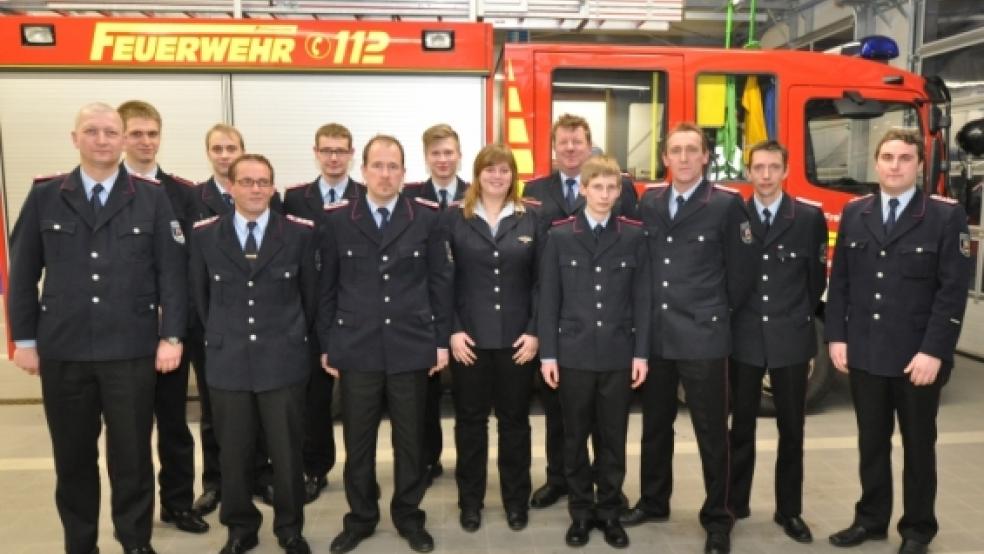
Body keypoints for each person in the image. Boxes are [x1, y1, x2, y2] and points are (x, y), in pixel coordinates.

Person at [8, 101, 187, 554]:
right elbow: (22, 272)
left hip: (129, 351)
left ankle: (134, 542)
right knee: (73, 461)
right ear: (75, 138)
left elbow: (172, 273)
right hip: (63, 352)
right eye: (92, 131)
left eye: (111, 132)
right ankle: (80, 544)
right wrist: (23, 340)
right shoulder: (46, 195)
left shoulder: (150, 197)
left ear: (124, 139)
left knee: (131, 459)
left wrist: (172, 337)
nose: (102, 140)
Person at [825, 128, 972, 554]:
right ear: (875, 163)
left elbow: (951, 292)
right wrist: (837, 335)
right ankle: (871, 520)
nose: (895, 165)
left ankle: (917, 529)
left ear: (920, 165)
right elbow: (843, 283)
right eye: (887, 157)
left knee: (918, 447)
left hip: (916, 357)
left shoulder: (945, 216)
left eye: (905, 158)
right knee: (870, 443)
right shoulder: (856, 213)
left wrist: (935, 351)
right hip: (866, 351)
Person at [318, 135, 453, 554]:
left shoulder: (427, 217)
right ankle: (360, 518)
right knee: (357, 442)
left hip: (411, 345)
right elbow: (327, 287)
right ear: (364, 171)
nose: (385, 174)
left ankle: (409, 516)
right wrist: (328, 344)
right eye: (377, 165)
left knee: (411, 441)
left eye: (393, 166)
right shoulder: (339, 219)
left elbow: (440, 283)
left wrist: (440, 342)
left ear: (404, 172)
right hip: (356, 346)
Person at [631, 122, 755, 554]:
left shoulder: (725, 205)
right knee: (654, 425)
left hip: (703, 334)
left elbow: (740, 276)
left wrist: (713, 316)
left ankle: (719, 516)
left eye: (692, 150)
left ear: (706, 157)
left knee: (710, 431)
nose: (683, 158)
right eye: (675, 150)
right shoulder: (650, 201)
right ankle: (653, 501)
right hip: (658, 335)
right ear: (665, 158)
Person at [189, 153, 318, 554]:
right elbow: (200, 299)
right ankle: (240, 528)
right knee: (234, 454)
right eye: (247, 181)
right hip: (228, 363)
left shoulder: (298, 233)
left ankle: (290, 528)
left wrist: (291, 337)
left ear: (273, 187)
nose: (256, 189)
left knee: (286, 452)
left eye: (263, 182)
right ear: (231, 188)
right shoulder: (206, 235)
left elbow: (309, 298)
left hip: (283, 361)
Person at [522, 114, 637, 509]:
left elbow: (632, 253)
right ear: (554, 148)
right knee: (563, 420)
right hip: (562, 315)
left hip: (607, 328)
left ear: (590, 146)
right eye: (563, 142)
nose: (570, 148)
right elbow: (531, 260)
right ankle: (564, 484)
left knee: (608, 427)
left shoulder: (621, 197)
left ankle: (608, 493)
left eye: (577, 141)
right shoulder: (534, 191)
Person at [538, 155, 650, 549]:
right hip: (573, 355)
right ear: (583, 189)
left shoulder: (634, 235)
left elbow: (642, 298)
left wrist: (641, 354)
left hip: (619, 355)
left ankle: (609, 512)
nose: (604, 195)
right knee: (574, 439)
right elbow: (548, 300)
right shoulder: (560, 235)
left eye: (611, 188)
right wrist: (548, 355)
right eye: (597, 187)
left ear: (620, 193)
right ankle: (581, 513)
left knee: (614, 438)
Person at [117, 99, 210, 534]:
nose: (145, 141)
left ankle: (178, 503)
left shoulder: (182, 193)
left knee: (174, 424)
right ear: (120, 137)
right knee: (129, 431)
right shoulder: (103, 189)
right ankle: (133, 516)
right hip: (123, 334)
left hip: (175, 330)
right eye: (136, 133)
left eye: (152, 133)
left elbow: (192, 261)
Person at [727, 140, 827, 543]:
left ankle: (790, 511)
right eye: (758, 167)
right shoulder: (733, 215)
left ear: (786, 171)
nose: (765, 175)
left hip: (790, 338)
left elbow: (815, 279)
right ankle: (735, 503)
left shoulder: (807, 217)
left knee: (792, 430)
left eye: (773, 167)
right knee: (741, 427)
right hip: (744, 337)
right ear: (748, 172)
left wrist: (795, 319)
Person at [443, 144, 540, 532]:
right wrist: (452, 329)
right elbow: (442, 280)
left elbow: (542, 282)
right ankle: (471, 502)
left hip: (518, 343)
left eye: (505, 171)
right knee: (470, 424)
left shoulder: (532, 216)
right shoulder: (453, 218)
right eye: (490, 170)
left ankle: (516, 501)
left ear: (513, 176)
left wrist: (534, 331)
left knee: (515, 424)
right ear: (477, 174)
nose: (497, 177)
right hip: (470, 342)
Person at [189, 123, 277, 513]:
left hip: (264, 332)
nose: (224, 154)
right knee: (216, 415)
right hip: (219, 331)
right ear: (208, 152)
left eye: (232, 148)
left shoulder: (268, 200)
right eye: (218, 148)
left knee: (258, 413)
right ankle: (216, 482)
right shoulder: (194, 198)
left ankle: (259, 476)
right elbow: (195, 279)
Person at [283, 122, 363, 504]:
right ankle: (315, 468)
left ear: (351, 154)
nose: (333, 157)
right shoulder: (295, 199)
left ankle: (361, 472)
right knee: (314, 399)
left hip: (356, 311)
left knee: (360, 401)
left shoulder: (368, 195)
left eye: (341, 150)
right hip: (310, 311)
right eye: (327, 150)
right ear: (315, 152)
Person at [403, 123, 471, 485]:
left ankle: (468, 465)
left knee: (468, 398)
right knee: (424, 397)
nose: (443, 160)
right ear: (426, 157)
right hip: (424, 312)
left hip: (468, 312)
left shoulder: (478, 193)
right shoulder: (411, 196)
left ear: (459, 155)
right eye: (435, 153)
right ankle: (428, 461)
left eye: (449, 152)